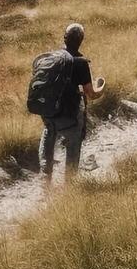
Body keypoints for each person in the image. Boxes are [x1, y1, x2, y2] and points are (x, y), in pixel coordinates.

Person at [35, 23, 102, 183]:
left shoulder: (51, 57)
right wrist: (102, 86)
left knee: (48, 136)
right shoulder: (80, 63)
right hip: (70, 113)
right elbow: (91, 94)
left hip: (49, 110)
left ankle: (45, 180)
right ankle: (69, 184)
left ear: (64, 38)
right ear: (81, 40)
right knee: (73, 144)